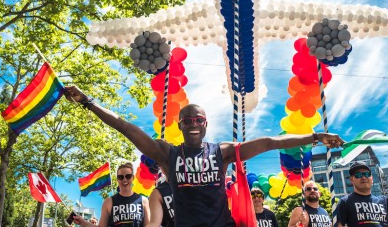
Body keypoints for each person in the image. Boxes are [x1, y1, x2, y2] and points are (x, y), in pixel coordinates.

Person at [65, 86, 344, 227]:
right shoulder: (167, 153)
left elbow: (270, 142)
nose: (194, 123)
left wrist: (315, 137)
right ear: (180, 125)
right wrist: (88, 102)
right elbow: (125, 127)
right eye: (188, 120)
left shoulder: (221, 152)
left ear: (206, 123)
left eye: (199, 119)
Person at [73, 162, 150, 227]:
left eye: (128, 176)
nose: (124, 179)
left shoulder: (143, 200)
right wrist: (83, 222)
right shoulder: (108, 202)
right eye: (120, 177)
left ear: (133, 178)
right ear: (117, 179)